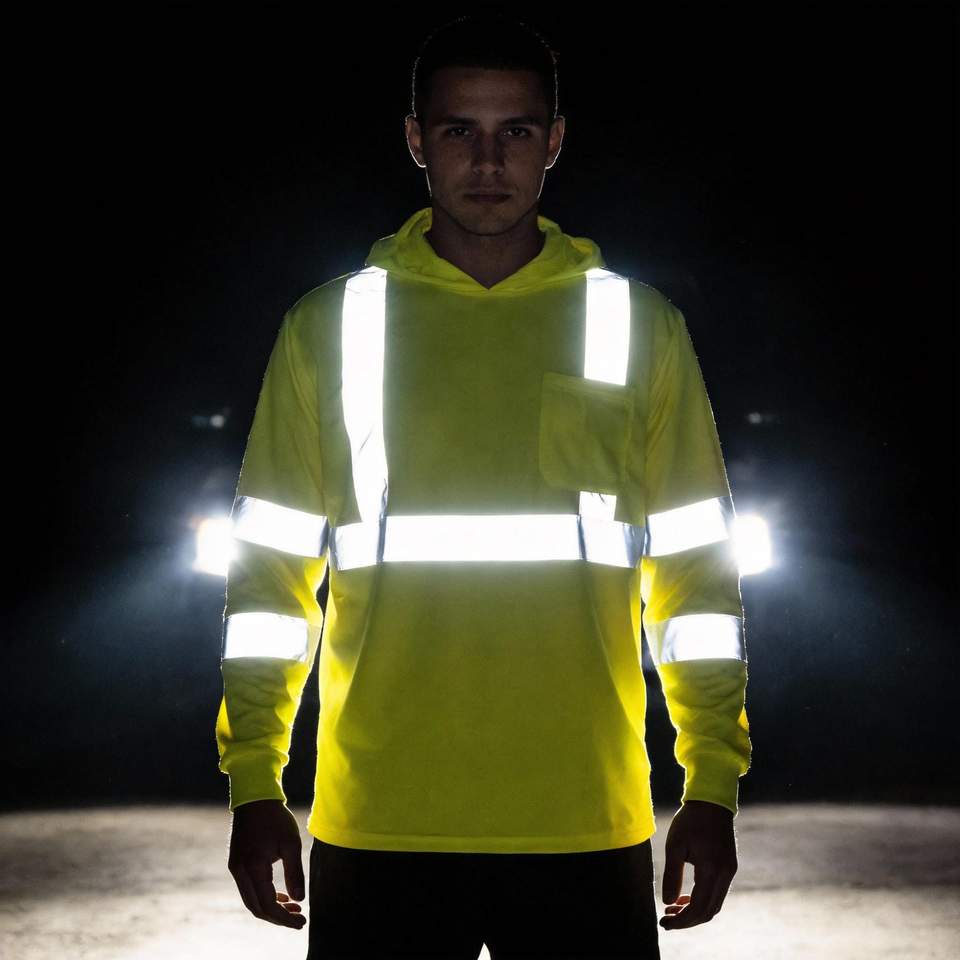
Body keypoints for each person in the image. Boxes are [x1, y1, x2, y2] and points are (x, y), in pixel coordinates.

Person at [215, 12, 751, 959]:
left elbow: (697, 580)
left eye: (517, 131)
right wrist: (255, 782)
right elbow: (269, 582)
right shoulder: (327, 327)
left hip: (586, 818)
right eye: (460, 129)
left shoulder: (640, 327)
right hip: (380, 820)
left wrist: (712, 784)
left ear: (555, 141)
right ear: (416, 139)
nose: (489, 161)